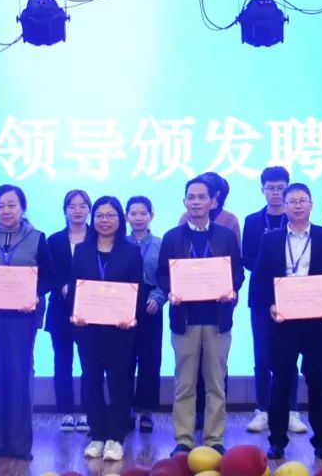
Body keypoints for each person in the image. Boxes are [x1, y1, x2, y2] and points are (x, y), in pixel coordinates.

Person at [255, 183, 322, 461]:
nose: (297, 205)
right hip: (283, 322)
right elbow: (259, 280)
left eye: (302, 200)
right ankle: (277, 441)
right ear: (284, 206)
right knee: (281, 382)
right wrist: (270, 305)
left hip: (317, 322)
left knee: (317, 381)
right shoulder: (271, 239)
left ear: (311, 205)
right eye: (291, 201)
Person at [158, 175, 244, 455]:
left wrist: (231, 290)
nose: (196, 202)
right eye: (191, 197)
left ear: (213, 202)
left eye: (201, 197)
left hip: (218, 321)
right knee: (184, 384)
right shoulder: (172, 237)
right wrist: (171, 291)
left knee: (216, 385)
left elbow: (238, 274)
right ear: (184, 201)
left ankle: (214, 439)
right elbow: (162, 274)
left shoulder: (226, 236)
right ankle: (183, 439)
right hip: (184, 321)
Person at [0, 184, 52, 461]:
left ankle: (19, 445)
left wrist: (35, 295)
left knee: (20, 375)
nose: (6, 211)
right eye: (0, 206)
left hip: (23, 317)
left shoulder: (37, 238)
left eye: (11, 205)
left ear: (22, 208)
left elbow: (50, 275)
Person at [73, 196, 144, 461]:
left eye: (111, 215)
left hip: (119, 329)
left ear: (120, 219)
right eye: (100, 215)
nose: (105, 220)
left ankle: (116, 437)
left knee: (119, 382)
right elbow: (75, 285)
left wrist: (130, 316)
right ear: (93, 219)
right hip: (88, 328)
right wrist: (76, 313)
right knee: (90, 380)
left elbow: (137, 289)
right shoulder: (82, 250)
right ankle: (97, 434)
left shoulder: (131, 251)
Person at [241, 166, 304, 434]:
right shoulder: (253, 221)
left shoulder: (298, 219)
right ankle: (263, 409)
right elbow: (246, 258)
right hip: (262, 296)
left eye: (280, 188)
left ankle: (291, 410)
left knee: (290, 355)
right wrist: (271, 263)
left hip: (294, 296)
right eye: (270, 188)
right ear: (262, 190)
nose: (276, 193)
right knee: (262, 354)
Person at [44, 189, 91, 432]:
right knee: (62, 361)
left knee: (89, 363)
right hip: (60, 310)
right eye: (72, 206)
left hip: (92, 310)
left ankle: (88, 410)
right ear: (65, 211)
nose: (77, 210)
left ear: (89, 210)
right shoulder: (54, 240)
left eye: (82, 206)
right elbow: (48, 270)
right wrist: (61, 286)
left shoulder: (98, 237)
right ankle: (66, 411)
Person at [126, 196, 165, 433]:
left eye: (143, 213)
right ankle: (126, 408)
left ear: (151, 215)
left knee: (150, 360)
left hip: (151, 303)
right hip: (123, 304)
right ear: (126, 217)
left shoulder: (161, 244)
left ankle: (147, 411)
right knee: (125, 360)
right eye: (133, 213)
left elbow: (166, 276)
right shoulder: (119, 243)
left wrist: (158, 298)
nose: (138, 218)